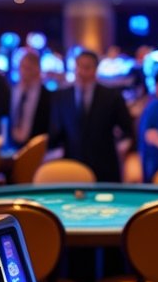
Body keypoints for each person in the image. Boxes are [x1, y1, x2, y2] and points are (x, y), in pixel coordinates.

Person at [50, 49, 135, 183]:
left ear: (95, 69)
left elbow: (127, 129)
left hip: (104, 166)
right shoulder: (61, 96)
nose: (82, 72)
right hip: (71, 165)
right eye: (79, 67)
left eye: (87, 67)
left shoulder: (112, 96)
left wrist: (123, 147)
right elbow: (55, 132)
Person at [9, 48, 52, 146]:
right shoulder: (12, 91)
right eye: (22, 67)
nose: (24, 72)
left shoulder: (48, 96)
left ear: (38, 69)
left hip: (37, 147)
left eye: (28, 68)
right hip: (12, 147)